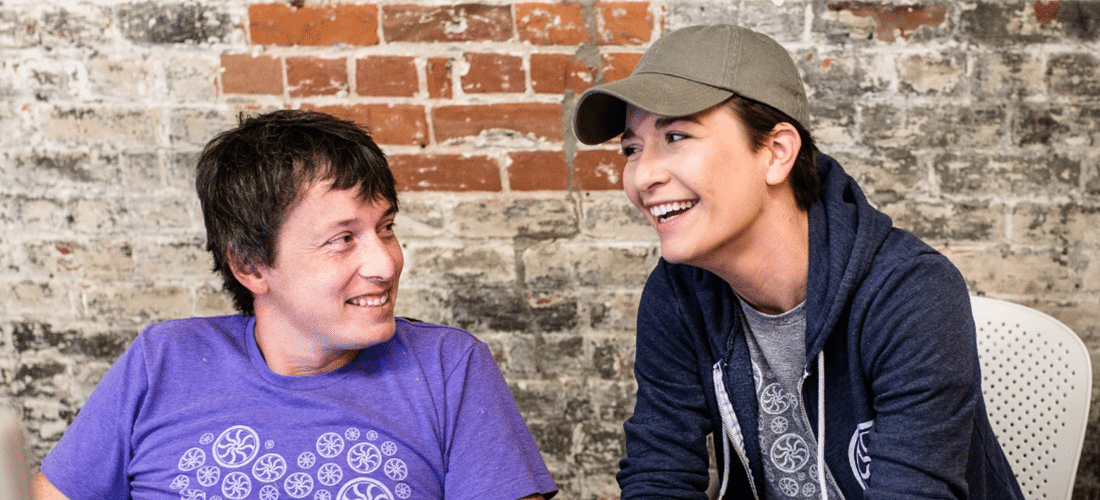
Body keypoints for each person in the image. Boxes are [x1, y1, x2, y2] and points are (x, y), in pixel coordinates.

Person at [573, 24, 1023, 500]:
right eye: (632, 149)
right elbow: (658, 475)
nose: (642, 175)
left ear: (776, 152)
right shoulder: (679, 293)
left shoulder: (913, 293)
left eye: (677, 136)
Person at [33, 110, 557, 500]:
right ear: (251, 266)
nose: (386, 263)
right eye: (343, 239)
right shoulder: (162, 360)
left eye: (385, 228)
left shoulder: (448, 368)